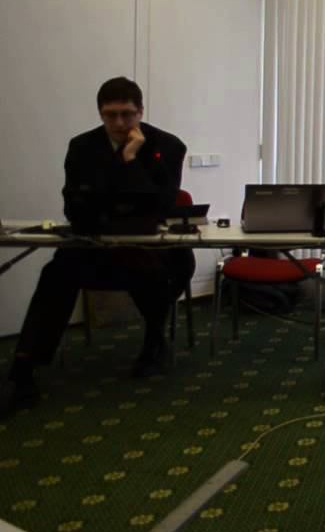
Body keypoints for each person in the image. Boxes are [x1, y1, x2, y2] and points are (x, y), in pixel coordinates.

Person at [0, 77, 195, 419]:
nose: (119, 123)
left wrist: (129, 160)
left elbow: (160, 206)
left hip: (148, 249)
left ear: (141, 111)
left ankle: (154, 340)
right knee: (56, 274)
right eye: (110, 115)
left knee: (156, 269)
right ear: (100, 114)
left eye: (127, 114)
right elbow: (75, 208)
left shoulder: (168, 146)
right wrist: (122, 190)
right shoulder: (82, 147)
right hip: (94, 245)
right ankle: (24, 369)